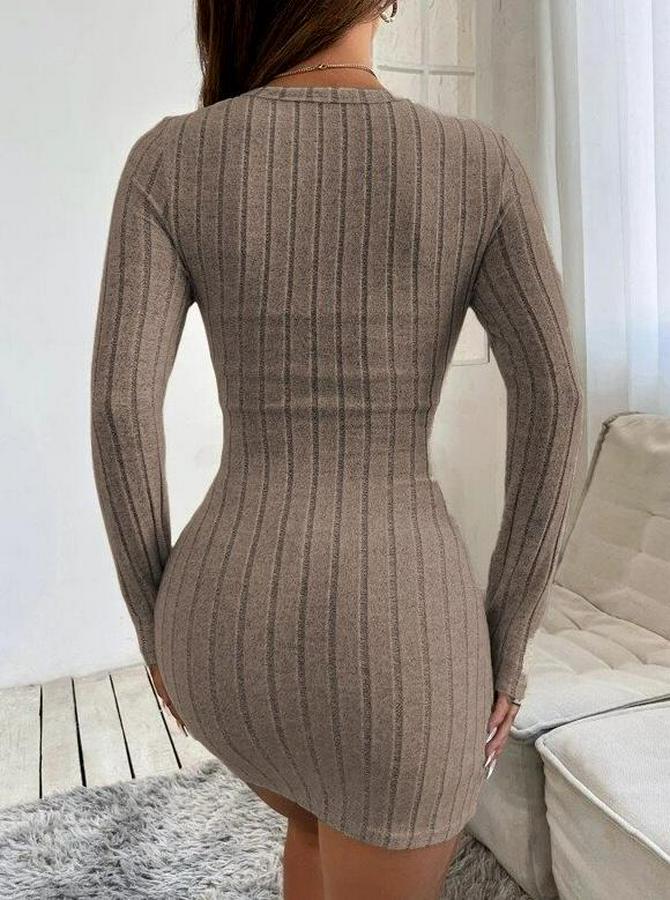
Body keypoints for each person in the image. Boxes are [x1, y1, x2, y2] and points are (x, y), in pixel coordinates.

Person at [89, 1, 584, 897]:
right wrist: (507, 640)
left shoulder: (169, 158)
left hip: (218, 627)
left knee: (315, 827)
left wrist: (154, 624)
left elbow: (121, 408)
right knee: (353, 814)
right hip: (399, 649)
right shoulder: (478, 163)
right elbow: (556, 400)